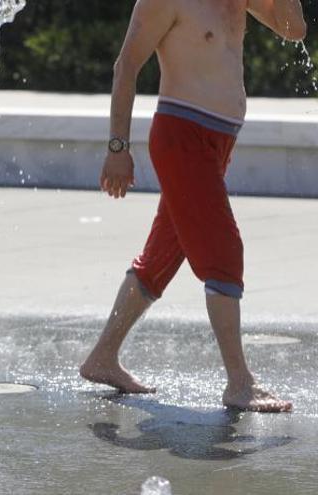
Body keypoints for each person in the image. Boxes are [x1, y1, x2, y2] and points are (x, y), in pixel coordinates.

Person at [80, 0, 306, 412]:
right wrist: (118, 148)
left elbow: (294, 30)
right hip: (182, 137)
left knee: (162, 255)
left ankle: (103, 357)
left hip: (217, 142)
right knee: (223, 251)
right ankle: (239, 383)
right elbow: (126, 65)